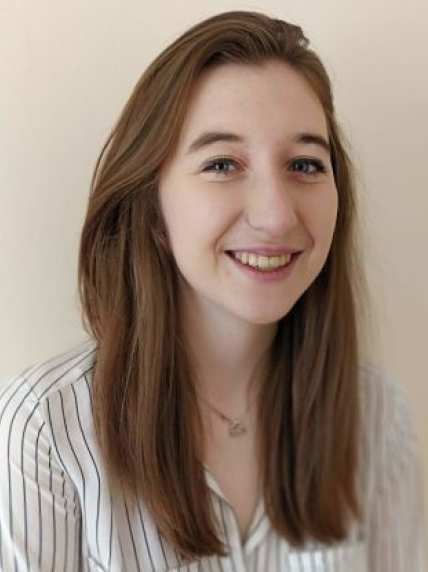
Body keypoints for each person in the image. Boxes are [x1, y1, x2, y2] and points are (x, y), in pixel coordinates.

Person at [0, 9, 426, 571]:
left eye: (305, 164)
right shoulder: (47, 430)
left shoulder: (378, 418)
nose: (276, 216)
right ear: (152, 207)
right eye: (223, 164)